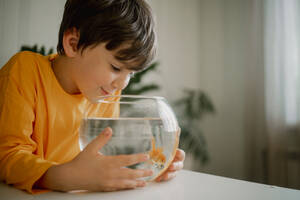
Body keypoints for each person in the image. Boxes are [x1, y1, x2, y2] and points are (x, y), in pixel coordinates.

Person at [0, 0, 185, 194]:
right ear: (73, 44)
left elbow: (105, 157)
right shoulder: (24, 72)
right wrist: (70, 178)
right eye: (116, 67)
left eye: (131, 73)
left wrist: (150, 164)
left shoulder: (105, 91)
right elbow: (7, 155)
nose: (122, 84)